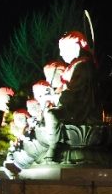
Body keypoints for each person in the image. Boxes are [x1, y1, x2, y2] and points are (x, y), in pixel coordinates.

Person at [42, 31, 101, 162]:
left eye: (64, 50)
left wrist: (56, 97)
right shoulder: (74, 66)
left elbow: (74, 93)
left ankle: (54, 146)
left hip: (80, 108)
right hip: (72, 105)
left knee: (51, 115)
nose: (61, 54)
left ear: (76, 47)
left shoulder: (83, 65)